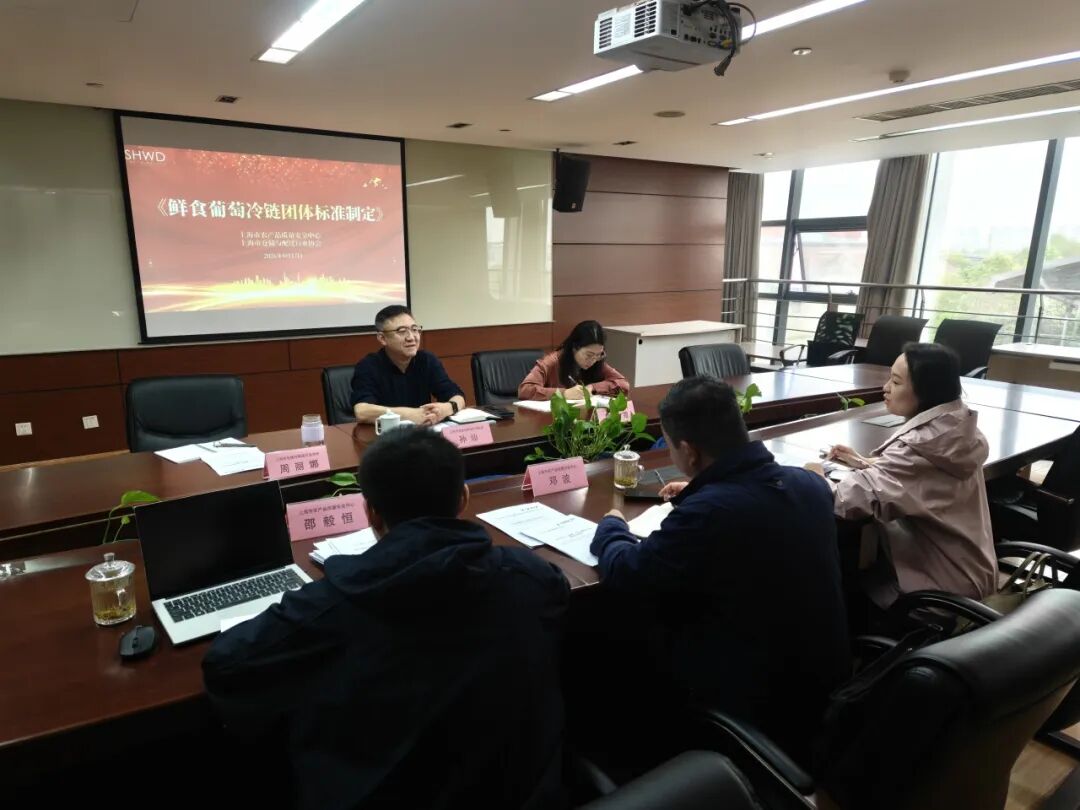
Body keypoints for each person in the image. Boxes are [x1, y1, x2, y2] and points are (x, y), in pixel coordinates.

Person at [203, 429, 570, 810]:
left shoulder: (329, 608)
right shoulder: (529, 576)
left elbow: (226, 664)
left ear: (370, 512)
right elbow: (555, 594)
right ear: (464, 497)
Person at [588, 376, 850, 764]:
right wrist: (698, 493)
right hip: (822, 687)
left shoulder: (710, 513)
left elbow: (628, 572)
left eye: (671, 447)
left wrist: (612, 527)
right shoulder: (810, 485)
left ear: (689, 452)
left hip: (748, 705)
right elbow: (752, 510)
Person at [808, 342, 997, 608]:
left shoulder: (917, 449)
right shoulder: (954, 431)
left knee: (832, 582)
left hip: (939, 591)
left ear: (926, 390)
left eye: (896, 382)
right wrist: (865, 463)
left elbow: (844, 501)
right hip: (970, 572)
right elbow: (919, 480)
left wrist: (813, 475)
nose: (885, 388)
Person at [350, 304, 466, 425]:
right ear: (382, 338)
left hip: (423, 432)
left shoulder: (426, 360)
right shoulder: (368, 366)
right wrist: (410, 415)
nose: (411, 337)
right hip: (385, 434)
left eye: (414, 329)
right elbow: (362, 411)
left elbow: (457, 395)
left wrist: (447, 408)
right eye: (402, 331)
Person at [517, 320, 629, 401]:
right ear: (575, 348)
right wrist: (563, 394)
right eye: (589, 355)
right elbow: (525, 390)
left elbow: (623, 384)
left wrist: (593, 388)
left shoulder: (596, 360)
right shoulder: (552, 362)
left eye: (598, 355)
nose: (593, 360)